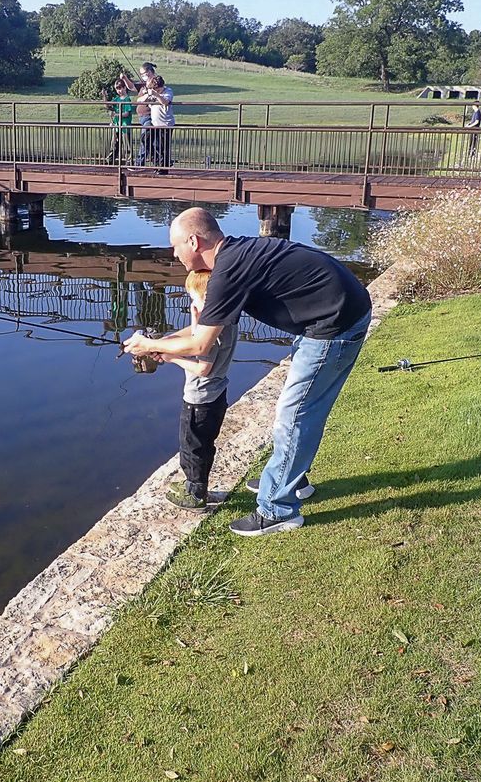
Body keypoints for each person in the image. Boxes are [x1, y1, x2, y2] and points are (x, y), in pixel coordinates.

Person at [123, 207, 371, 536]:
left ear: (194, 242)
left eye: (175, 245)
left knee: (295, 414)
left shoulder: (226, 273)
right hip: (333, 315)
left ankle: (278, 509)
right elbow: (201, 334)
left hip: (334, 325)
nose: (173, 253)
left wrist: (146, 345)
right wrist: (162, 343)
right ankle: (291, 481)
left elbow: (200, 345)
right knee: (299, 410)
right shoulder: (235, 255)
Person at [157, 269, 239, 509]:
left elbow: (203, 366)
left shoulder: (212, 335)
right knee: (204, 445)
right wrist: (192, 321)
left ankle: (194, 493)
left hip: (199, 401)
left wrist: (171, 358)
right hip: (216, 396)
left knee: (192, 447)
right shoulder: (227, 320)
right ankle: (198, 486)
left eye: (195, 298)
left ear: (210, 300)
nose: (192, 303)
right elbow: (196, 337)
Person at [120, 62, 157, 166]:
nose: (142, 76)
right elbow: (131, 87)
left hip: (150, 117)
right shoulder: (142, 85)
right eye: (141, 74)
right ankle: (157, 161)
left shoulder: (156, 83)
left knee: (145, 139)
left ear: (149, 72)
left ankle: (139, 163)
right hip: (142, 118)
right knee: (149, 141)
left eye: (143, 74)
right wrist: (124, 78)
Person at [140, 75, 174, 168]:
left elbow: (165, 102)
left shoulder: (168, 91)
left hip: (165, 124)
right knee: (145, 139)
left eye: (158, 90)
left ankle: (163, 168)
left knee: (163, 148)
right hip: (154, 124)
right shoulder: (152, 93)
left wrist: (156, 95)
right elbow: (140, 101)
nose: (157, 91)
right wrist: (147, 94)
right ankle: (156, 161)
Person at [103, 79, 134, 164]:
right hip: (116, 126)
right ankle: (110, 159)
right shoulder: (116, 98)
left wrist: (116, 115)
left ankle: (130, 161)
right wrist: (104, 96)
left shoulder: (127, 99)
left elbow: (126, 113)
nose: (119, 91)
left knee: (127, 145)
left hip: (125, 126)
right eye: (117, 89)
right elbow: (108, 105)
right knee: (114, 144)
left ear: (124, 88)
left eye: (120, 88)